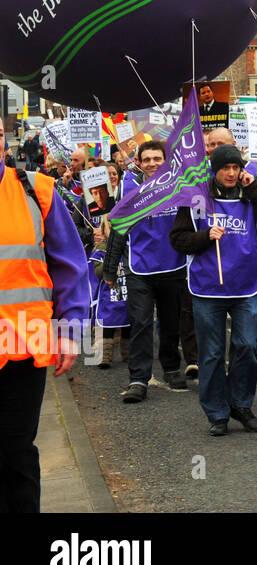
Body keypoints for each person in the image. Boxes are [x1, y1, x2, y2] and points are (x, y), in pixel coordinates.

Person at [0, 136, 92, 513]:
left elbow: (70, 264)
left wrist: (71, 331)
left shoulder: (36, 190)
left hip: (24, 348)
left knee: (14, 455)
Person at [170, 143, 257, 435]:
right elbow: (178, 240)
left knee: (246, 346)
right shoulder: (196, 199)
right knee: (211, 353)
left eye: (236, 167)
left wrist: (256, 191)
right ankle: (217, 413)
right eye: (226, 168)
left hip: (246, 285)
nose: (232, 173)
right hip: (208, 287)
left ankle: (241, 404)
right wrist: (205, 236)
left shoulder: (251, 195)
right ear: (215, 169)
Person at [100, 140, 189, 401]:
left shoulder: (179, 184)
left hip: (173, 263)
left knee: (171, 322)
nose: (152, 164)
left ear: (165, 161)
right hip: (139, 267)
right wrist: (110, 268)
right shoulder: (129, 187)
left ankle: (172, 367)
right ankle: (138, 379)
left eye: (157, 159)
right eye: (147, 159)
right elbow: (118, 226)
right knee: (140, 323)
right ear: (138, 162)